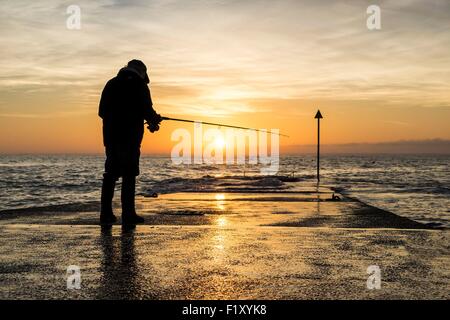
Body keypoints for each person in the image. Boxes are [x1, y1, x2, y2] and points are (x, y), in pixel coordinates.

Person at [98, 59, 161, 224]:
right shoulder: (140, 86)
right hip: (131, 138)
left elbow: (101, 111)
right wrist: (154, 120)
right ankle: (128, 214)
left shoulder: (111, 84)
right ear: (141, 72)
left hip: (111, 136)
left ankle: (105, 214)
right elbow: (147, 110)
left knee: (110, 173)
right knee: (129, 174)